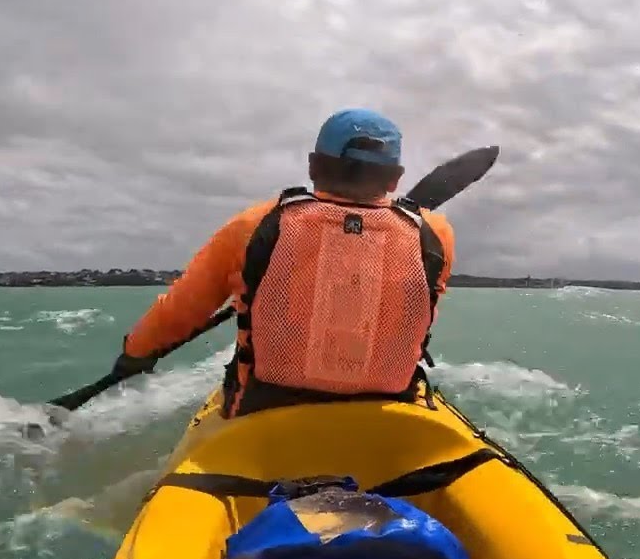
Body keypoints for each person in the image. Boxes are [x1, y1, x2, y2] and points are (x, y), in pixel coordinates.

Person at [113, 107, 456, 418]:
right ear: (394, 179)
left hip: (266, 407)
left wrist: (137, 352)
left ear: (313, 165)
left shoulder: (255, 225)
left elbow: (182, 309)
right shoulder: (435, 234)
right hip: (389, 408)